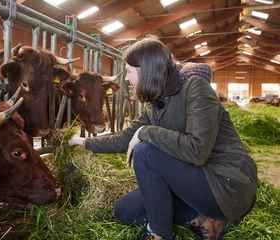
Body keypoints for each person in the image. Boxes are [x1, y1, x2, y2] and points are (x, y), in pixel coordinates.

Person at [68, 35, 257, 240]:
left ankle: (161, 234)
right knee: (124, 212)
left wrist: (146, 132)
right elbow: (124, 139)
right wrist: (82, 142)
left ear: (146, 70)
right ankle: (206, 219)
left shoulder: (196, 88)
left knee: (145, 152)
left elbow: (197, 150)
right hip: (195, 181)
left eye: (130, 72)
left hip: (227, 186)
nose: (127, 79)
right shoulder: (157, 104)